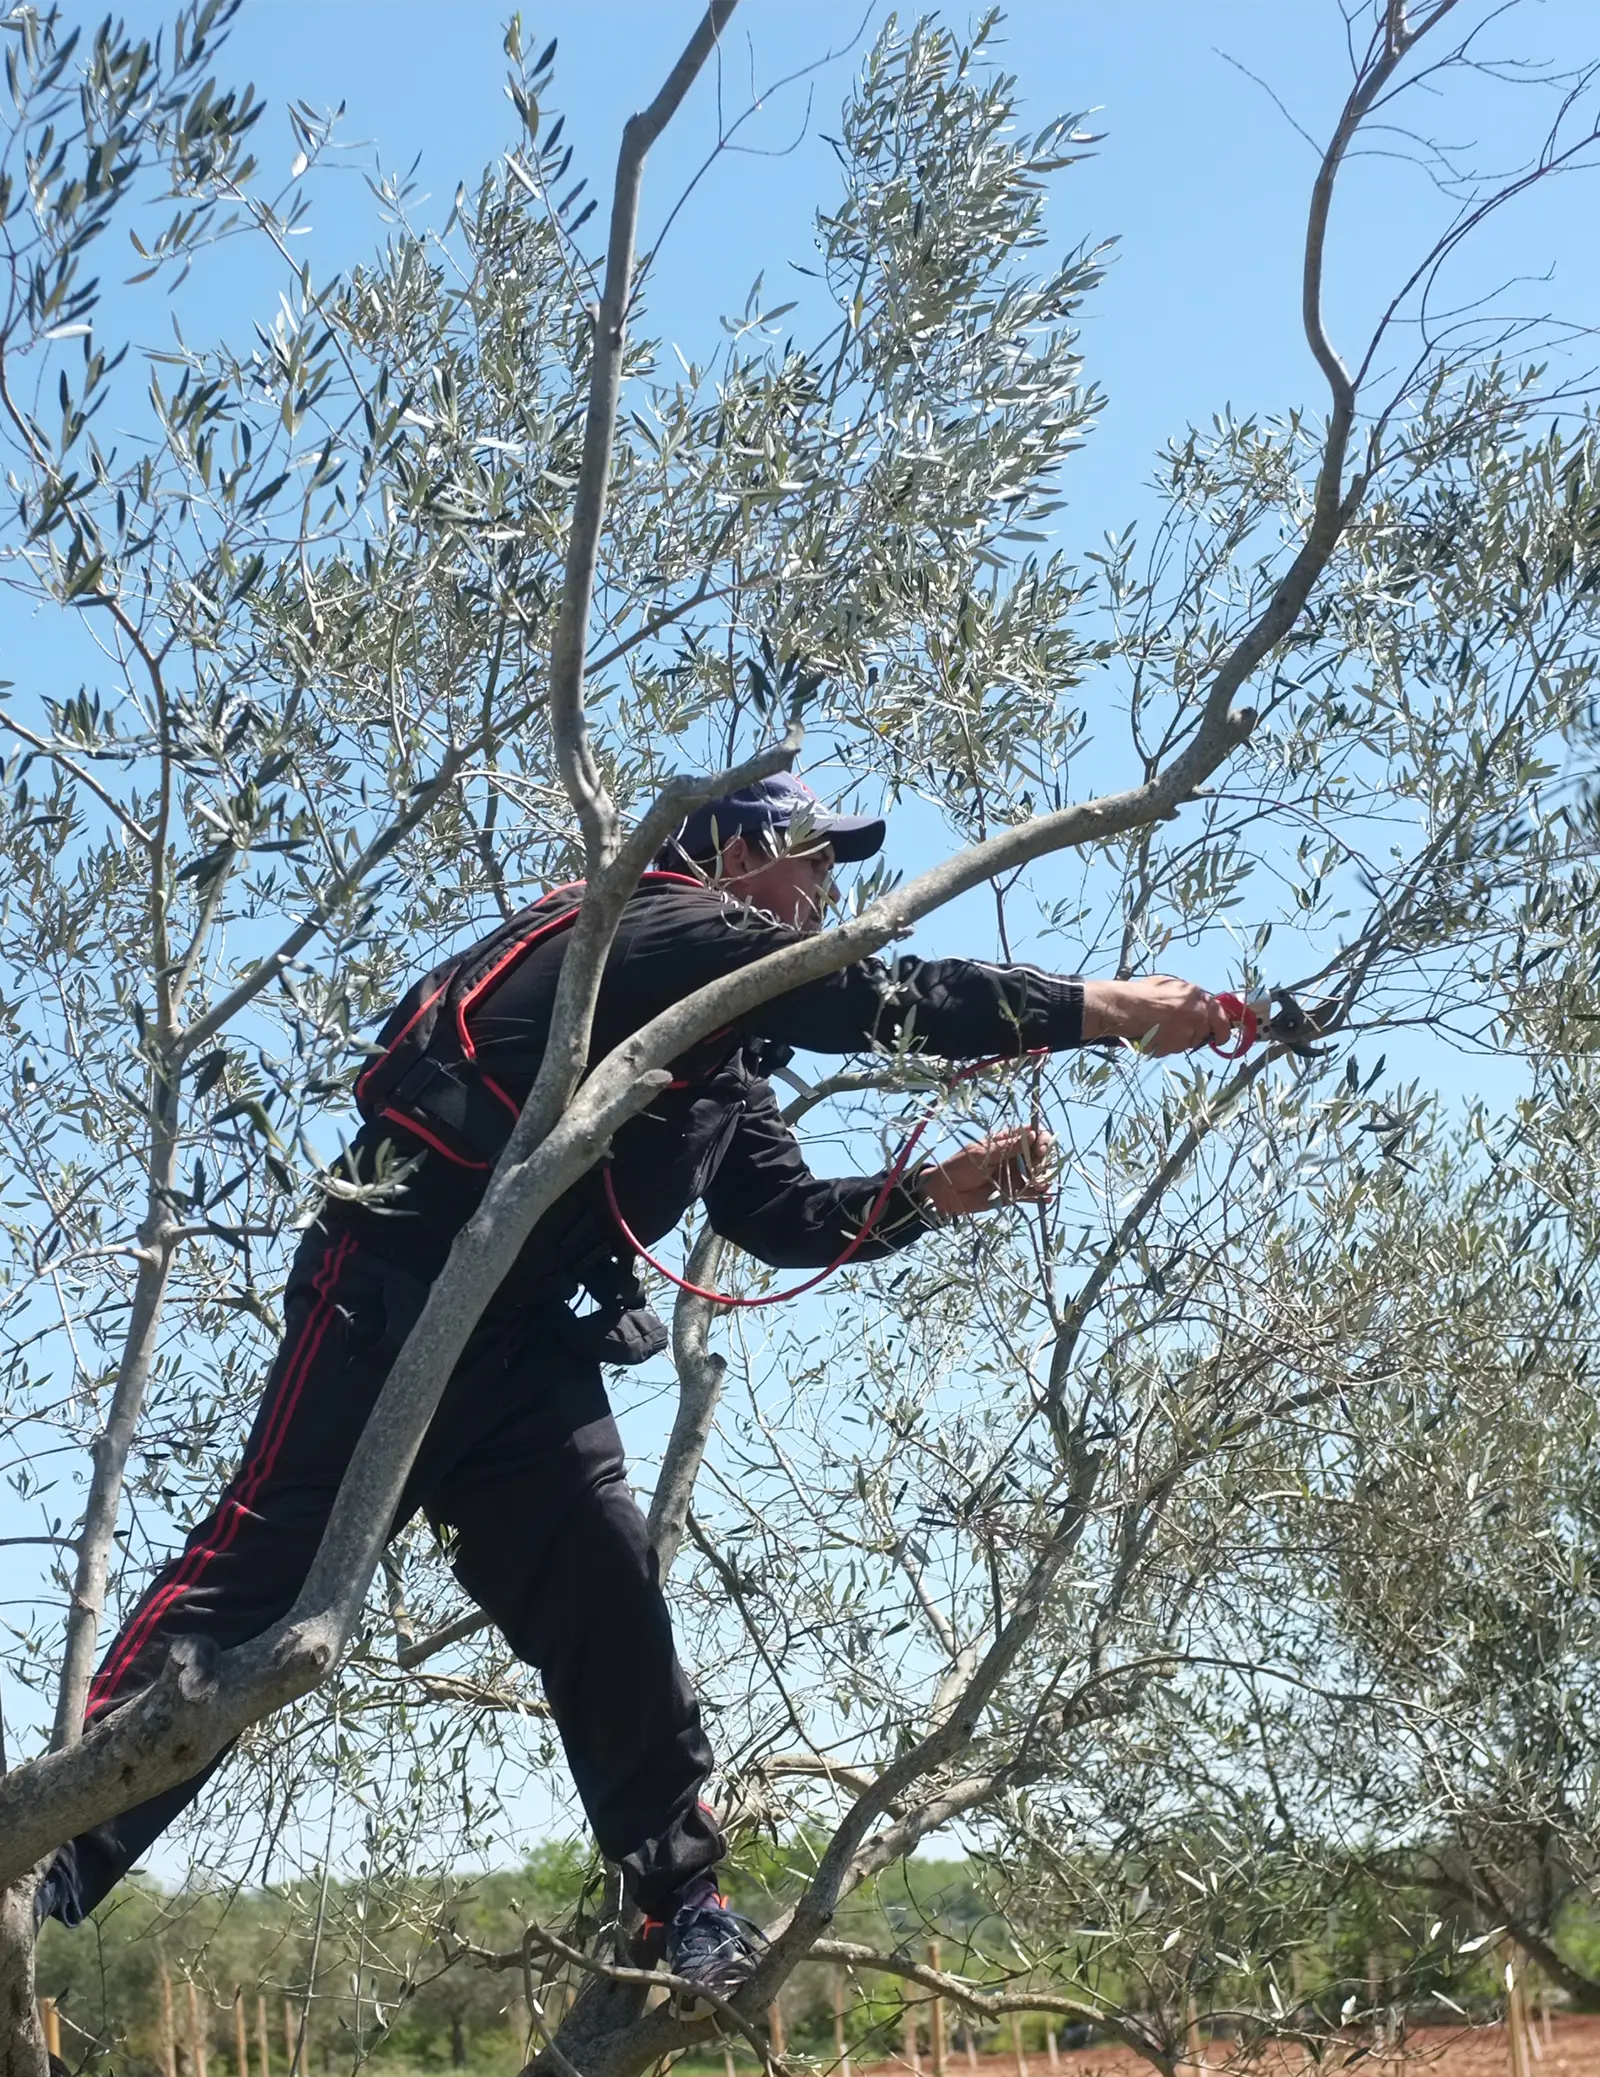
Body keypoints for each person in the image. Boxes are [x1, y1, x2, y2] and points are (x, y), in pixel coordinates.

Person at [40, 774, 1233, 1995]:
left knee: (609, 1603)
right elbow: (883, 996)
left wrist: (936, 1192)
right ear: (731, 856)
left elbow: (780, 1218)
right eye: (813, 862)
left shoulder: (715, 1063)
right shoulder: (666, 924)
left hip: (524, 1357)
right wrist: (1096, 1009)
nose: (831, 891)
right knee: (254, 1579)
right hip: (389, 1299)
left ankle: (681, 1905)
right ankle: (46, 1855)